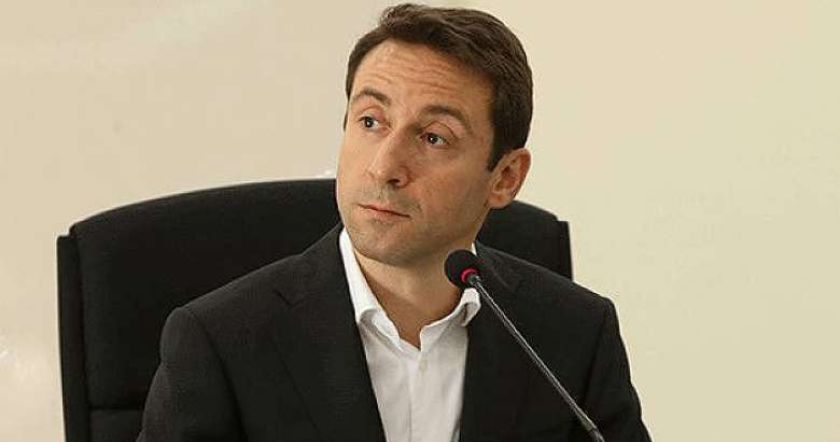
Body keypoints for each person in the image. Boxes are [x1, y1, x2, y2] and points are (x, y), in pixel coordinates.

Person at [137, 4, 651, 441]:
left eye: (433, 137)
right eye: (370, 122)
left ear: (505, 177)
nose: (384, 167)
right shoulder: (222, 342)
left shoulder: (572, 337)